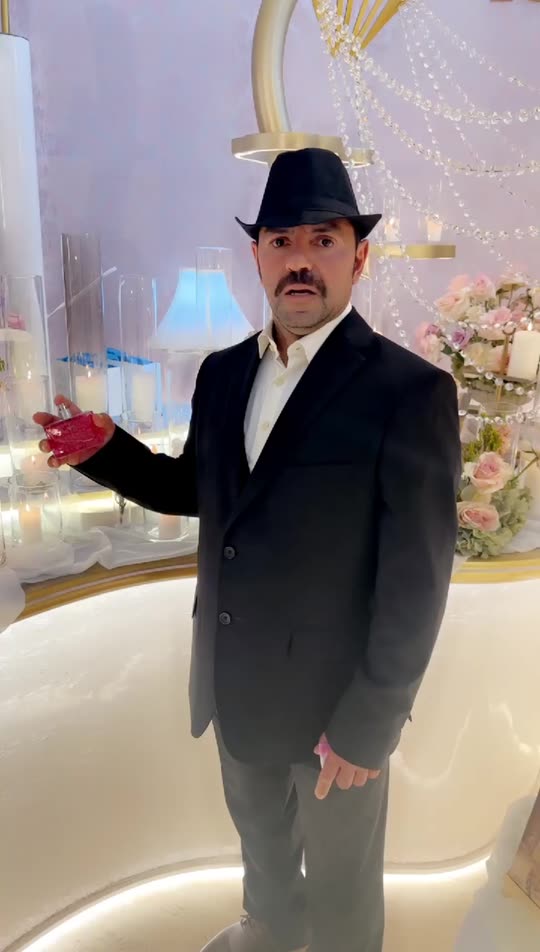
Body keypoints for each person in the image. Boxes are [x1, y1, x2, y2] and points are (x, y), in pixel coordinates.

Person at [35, 148, 462, 952]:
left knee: (342, 891)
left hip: (336, 709)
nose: (300, 259)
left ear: (359, 258)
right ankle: (269, 934)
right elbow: (197, 490)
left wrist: (370, 722)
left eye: (323, 240)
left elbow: (419, 577)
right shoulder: (224, 374)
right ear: (257, 255)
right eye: (280, 240)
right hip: (235, 684)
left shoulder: (409, 392)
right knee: (263, 860)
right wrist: (107, 450)